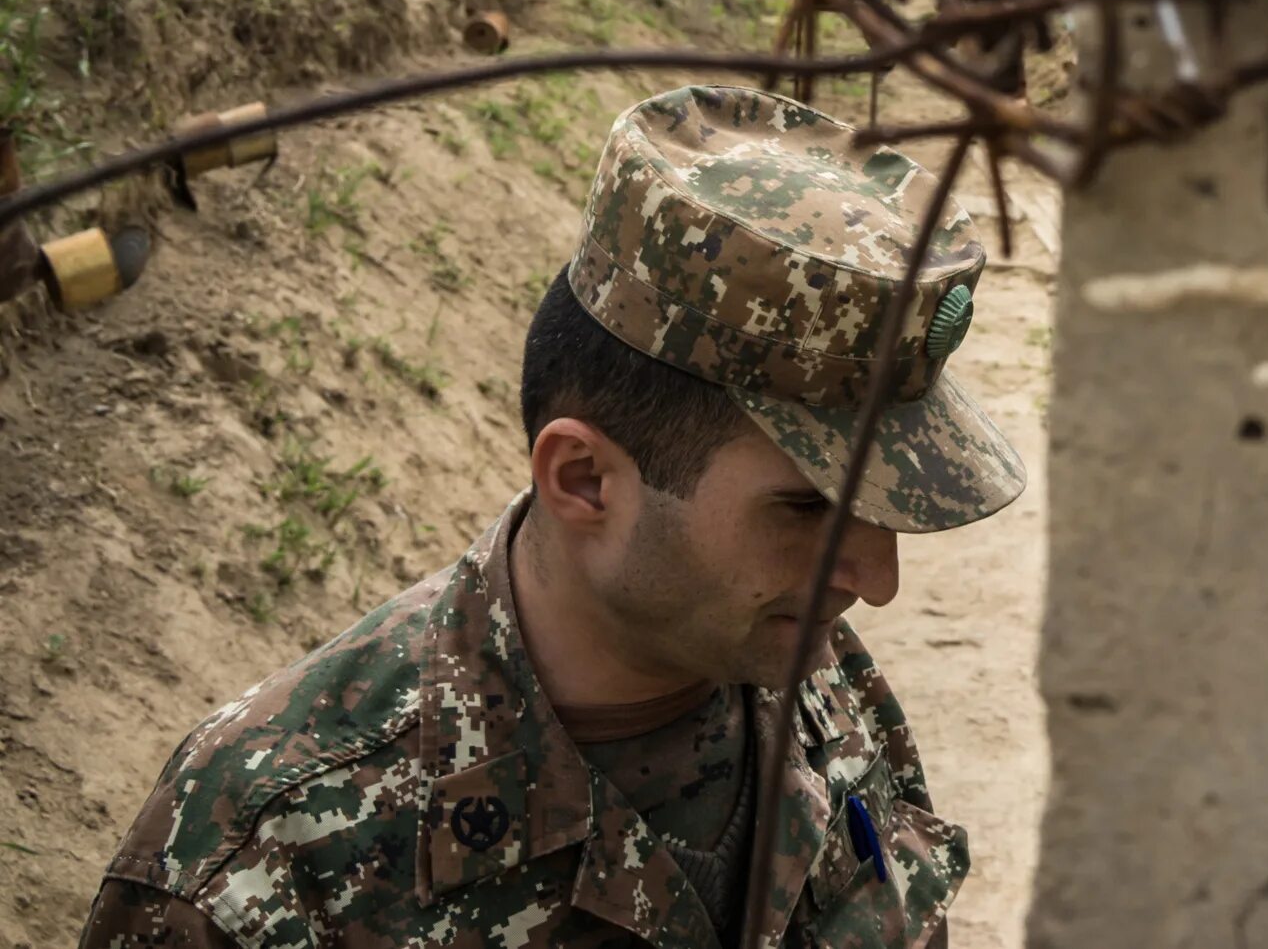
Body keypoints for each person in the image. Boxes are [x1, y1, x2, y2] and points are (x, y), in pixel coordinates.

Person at [79, 85, 1027, 948]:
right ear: (584, 482)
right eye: (807, 510)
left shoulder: (811, 678)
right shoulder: (265, 865)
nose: (877, 584)